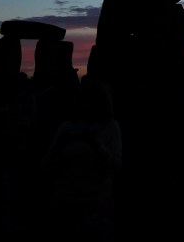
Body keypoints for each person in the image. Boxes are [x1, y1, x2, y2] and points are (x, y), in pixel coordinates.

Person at [40, 77, 122, 241]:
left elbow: (116, 165)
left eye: (93, 101)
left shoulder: (111, 127)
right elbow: (47, 164)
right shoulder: (67, 128)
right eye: (86, 100)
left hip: (97, 205)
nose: (88, 105)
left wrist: (98, 148)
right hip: (65, 204)